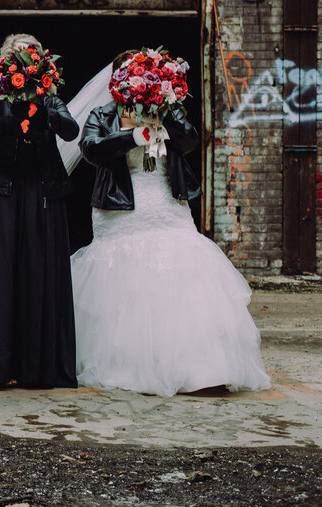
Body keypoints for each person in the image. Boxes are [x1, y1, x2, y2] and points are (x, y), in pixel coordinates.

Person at [71, 51, 271, 396]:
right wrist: (130, 137)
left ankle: (202, 366)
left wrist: (163, 114)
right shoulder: (102, 114)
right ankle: (129, 363)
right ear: (117, 82)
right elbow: (90, 150)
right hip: (119, 209)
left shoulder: (168, 108)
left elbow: (191, 140)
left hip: (165, 201)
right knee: (125, 284)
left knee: (184, 274)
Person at [0, 33, 80, 388]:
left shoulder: (51, 99)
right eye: (18, 56)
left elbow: (71, 129)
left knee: (37, 275)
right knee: (0, 277)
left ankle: (36, 366)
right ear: (5, 64)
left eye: (31, 55)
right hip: (2, 194)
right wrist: (6, 124)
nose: (25, 61)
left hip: (40, 195)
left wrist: (45, 109)